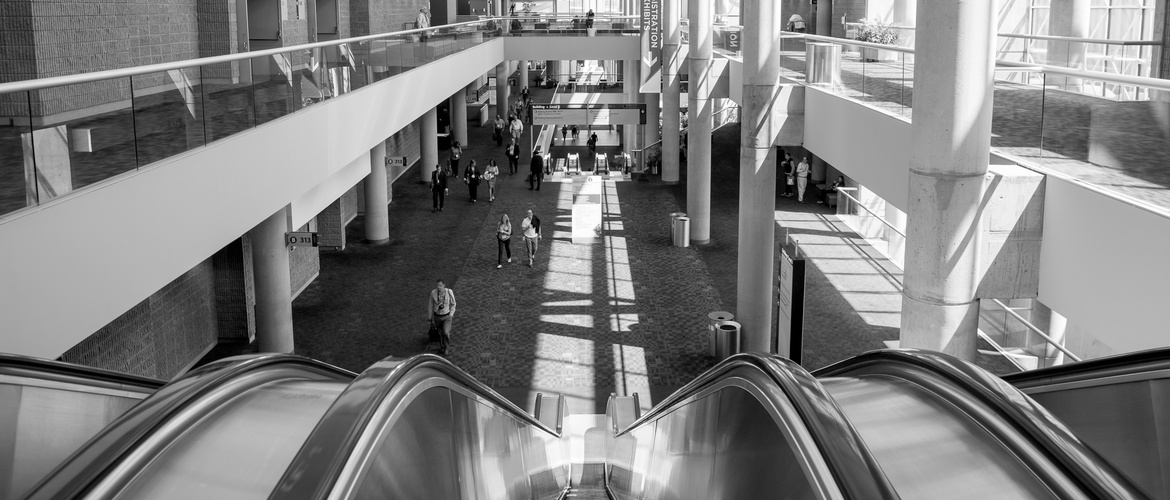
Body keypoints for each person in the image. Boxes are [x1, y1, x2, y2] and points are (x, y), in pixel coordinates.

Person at [427, 279, 457, 355]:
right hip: (437, 317)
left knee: (446, 332)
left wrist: (451, 314)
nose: (438, 287)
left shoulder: (449, 292)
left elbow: (453, 304)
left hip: (447, 316)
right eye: (437, 285)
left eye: (440, 285)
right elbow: (430, 305)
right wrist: (430, 316)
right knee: (440, 333)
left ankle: (447, 347)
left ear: (444, 285)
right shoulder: (433, 293)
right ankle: (442, 346)